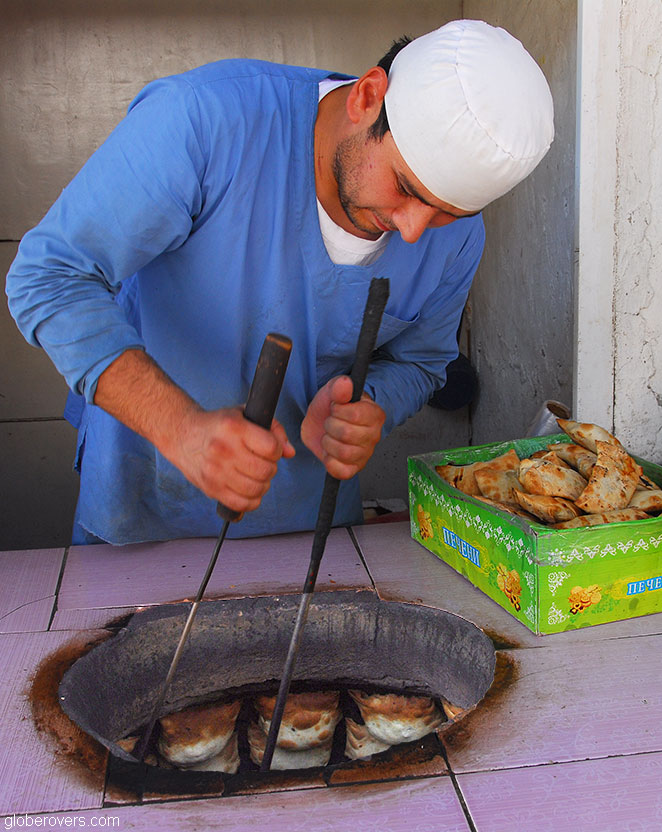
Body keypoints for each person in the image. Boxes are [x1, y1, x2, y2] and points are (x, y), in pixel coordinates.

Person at [6, 20, 554, 545]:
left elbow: (421, 363)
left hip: (307, 527)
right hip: (143, 500)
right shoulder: (205, 122)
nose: (413, 231)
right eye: (405, 188)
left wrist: (371, 407)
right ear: (367, 97)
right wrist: (182, 430)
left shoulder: (457, 237)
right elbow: (48, 277)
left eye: (446, 213)